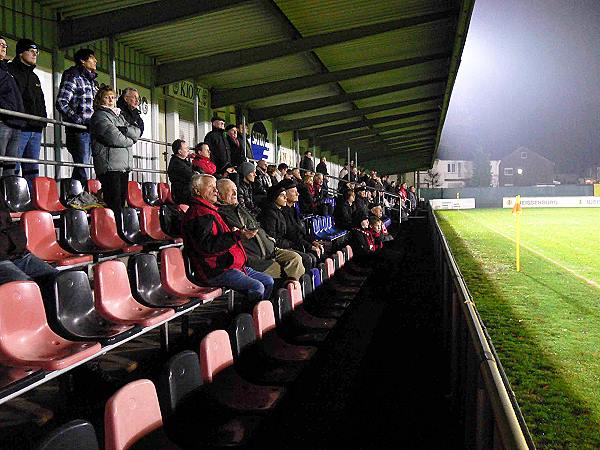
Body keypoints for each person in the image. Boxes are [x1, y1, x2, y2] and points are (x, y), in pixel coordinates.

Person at [182, 174, 273, 306]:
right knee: (257, 287)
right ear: (197, 190)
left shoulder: (210, 210)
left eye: (215, 187)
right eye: (210, 187)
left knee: (268, 281)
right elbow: (207, 247)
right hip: (216, 270)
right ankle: (248, 320)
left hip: (234, 266)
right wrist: (236, 236)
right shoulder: (199, 214)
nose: (215, 190)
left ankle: (258, 315)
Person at [217, 178, 304, 281]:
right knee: (280, 270)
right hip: (255, 257)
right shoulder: (221, 214)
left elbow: (258, 227)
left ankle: (293, 289)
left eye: (235, 189)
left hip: (269, 248)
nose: (235, 193)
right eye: (230, 190)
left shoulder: (240, 208)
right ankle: (286, 291)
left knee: (295, 258)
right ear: (219, 194)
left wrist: (270, 240)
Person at [89, 86, 141, 214]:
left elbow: (137, 131)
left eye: (112, 97)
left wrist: (125, 130)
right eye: (107, 97)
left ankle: (120, 230)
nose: (111, 100)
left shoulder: (119, 116)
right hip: (109, 167)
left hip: (122, 166)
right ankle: (112, 231)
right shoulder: (99, 116)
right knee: (113, 205)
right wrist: (131, 141)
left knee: (121, 203)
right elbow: (114, 138)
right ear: (100, 100)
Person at [7, 39, 46, 186]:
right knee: (14, 167)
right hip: (20, 127)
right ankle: (14, 201)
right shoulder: (10, 72)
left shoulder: (34, 76)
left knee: (32, 169)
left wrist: (43, 120)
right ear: (21, 52)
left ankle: (31, 202)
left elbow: (40, 100)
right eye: (31, 51)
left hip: (35, 129)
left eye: (37, 52)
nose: (35, 54)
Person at [56, 48, 98, 183]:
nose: (95, 60)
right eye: (92, 58)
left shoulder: (91, 80)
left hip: (90, 130)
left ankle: (76, 195)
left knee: (84, 166)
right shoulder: (73, 75)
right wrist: (79, 121)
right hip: (78, 131)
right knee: (82, 166)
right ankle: (79, 197)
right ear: (82, 61)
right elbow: (62, 102)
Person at [259, 180, 315, 272]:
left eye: (285, 195)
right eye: (282, 195)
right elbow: (273, 238)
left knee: (310, 257)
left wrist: (311, 242)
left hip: (286, 244)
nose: (285, 198)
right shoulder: (270, 213)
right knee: (307, 259)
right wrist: (293, 245)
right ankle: (296, 284)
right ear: (275, 197)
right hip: (275, 249)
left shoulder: (279, 211)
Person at [0, 198, 57, 287]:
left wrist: (18, 241)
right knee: (25, 287)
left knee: (58, 280)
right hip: (2, 258)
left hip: (18, 254)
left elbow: (7, 223)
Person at [281, 179, 323, 267]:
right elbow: (292, 236)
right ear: (285, 195)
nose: (297, 194)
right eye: (294, 191)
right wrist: (310, 246)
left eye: (297, 191)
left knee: (319, 251)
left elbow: (301, 232)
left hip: (299, 243)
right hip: (292, 245)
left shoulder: (294, 209)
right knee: (310, 258)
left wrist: (313, 242)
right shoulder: (283, 212)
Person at [0, 36, 25, 178]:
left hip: (15, 122)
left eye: (5, 45)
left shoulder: (7, 70)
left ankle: (7, 199)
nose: (4, 47)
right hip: (3, 121)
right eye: (0, 44)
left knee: (10, 168)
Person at [167, 139, 195, 205]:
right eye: (186, 148)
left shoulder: (184, 161)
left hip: (188, 192)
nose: (188, 150)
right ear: (179, 151)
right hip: (183, 195)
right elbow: (191, 176)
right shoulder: (176, 164)